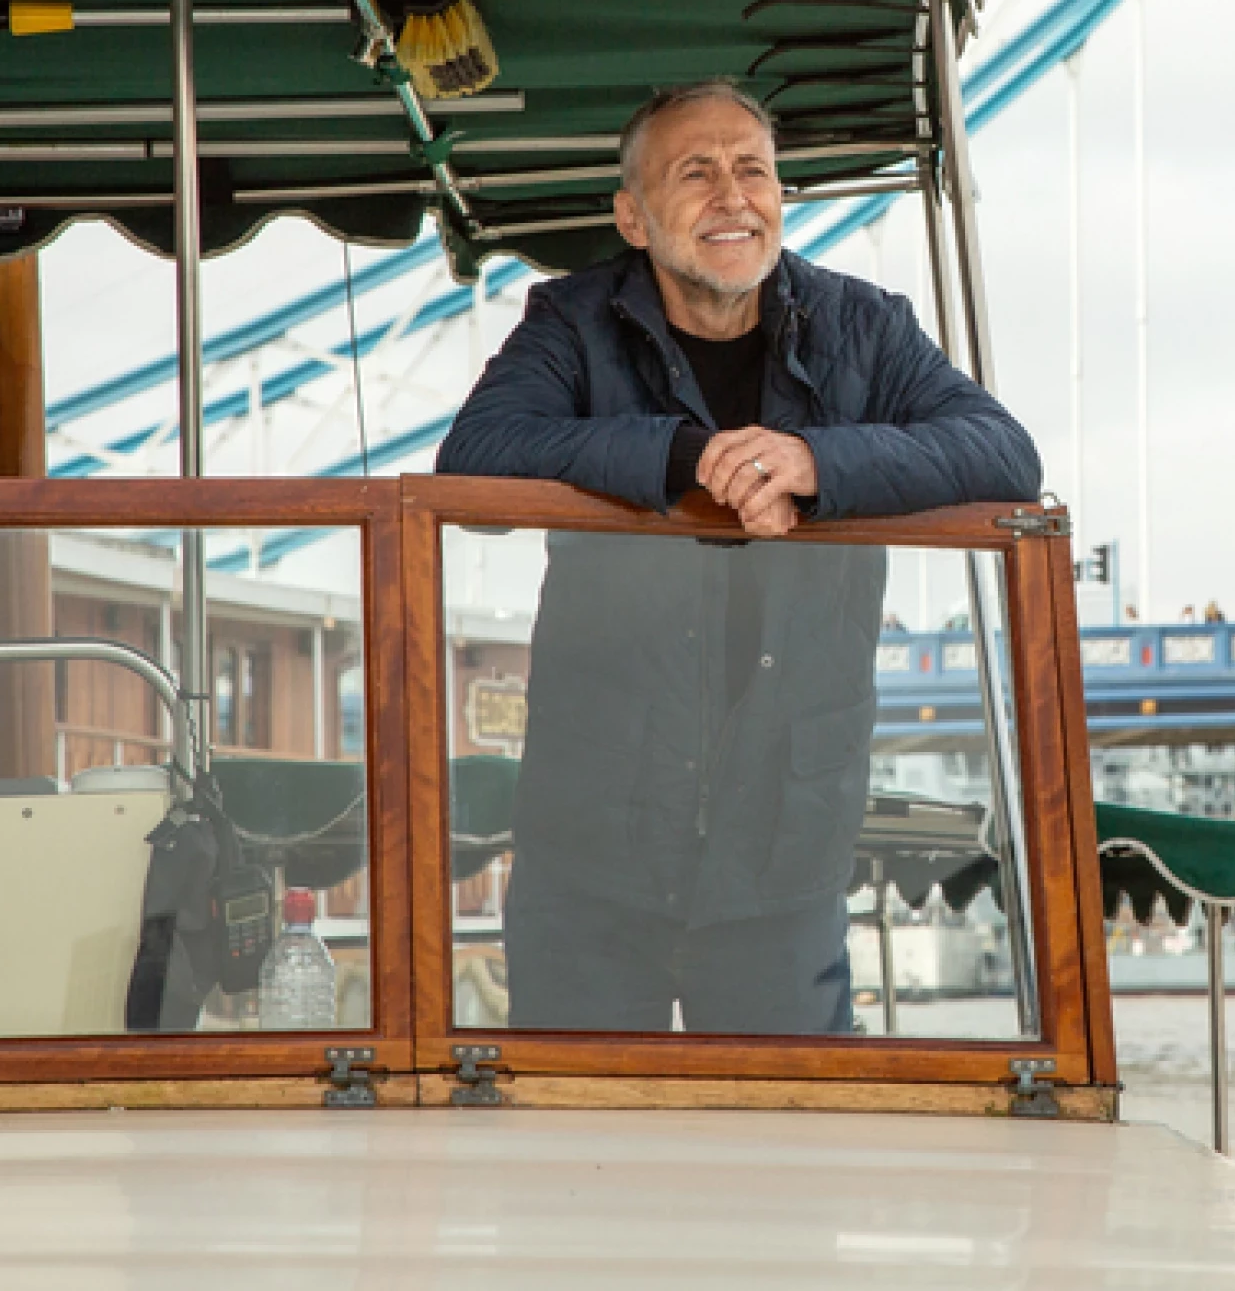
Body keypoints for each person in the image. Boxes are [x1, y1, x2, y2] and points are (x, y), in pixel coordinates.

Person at [435, 80, 1042, 1035]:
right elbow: (473, 463)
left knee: (793, 1165)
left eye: (753, 170)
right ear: (632, 217)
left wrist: (814, 462)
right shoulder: (570, 323)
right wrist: (680, 459)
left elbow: (1007, 456)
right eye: (697, 173)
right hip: (593, 850)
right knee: (575, 1164)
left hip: (785, 854)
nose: (734, 195)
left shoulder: (867, 326)